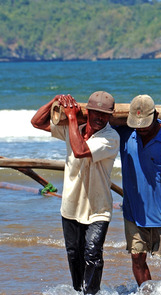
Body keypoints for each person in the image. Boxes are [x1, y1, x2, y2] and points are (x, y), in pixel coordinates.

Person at [31, 92, 120, 294]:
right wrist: (54, 101)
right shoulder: (74, 129)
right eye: (95, 113)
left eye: (104, 115)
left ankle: (91, 292)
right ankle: (78, 290)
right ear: (87, 112)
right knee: (73, 254)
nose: (100, 118)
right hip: (71, 205)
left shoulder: (110, 137)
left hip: (98, 209)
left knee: (92, 255)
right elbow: (36, 122)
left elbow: (80, 150)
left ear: (110, 116)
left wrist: (71, 117)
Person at [114, 95, 161, 286]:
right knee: (137, 257)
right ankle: (147, 292)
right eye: (136, 124)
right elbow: (97, 121)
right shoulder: (125, 134)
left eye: (145, 123)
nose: (140, 128)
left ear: (156, 116)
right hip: (133, 211)